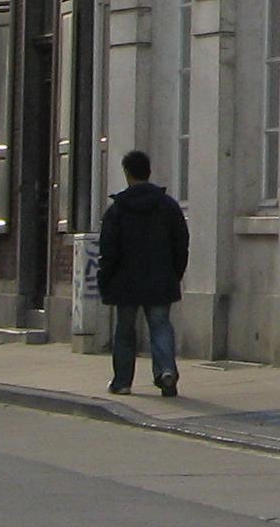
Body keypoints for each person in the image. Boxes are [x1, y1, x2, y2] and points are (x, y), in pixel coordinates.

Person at [95, 149, 190, 397]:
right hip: (161, 278)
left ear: (127, 173)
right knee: (160, 326)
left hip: (125, 281)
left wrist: (105, 279)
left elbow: (108, 250)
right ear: (149, 172)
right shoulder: (168, 206)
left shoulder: (117, 210)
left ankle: (122, 382)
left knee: (125, 330)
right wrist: (175, 273)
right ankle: (166, 371)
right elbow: (181, 243)